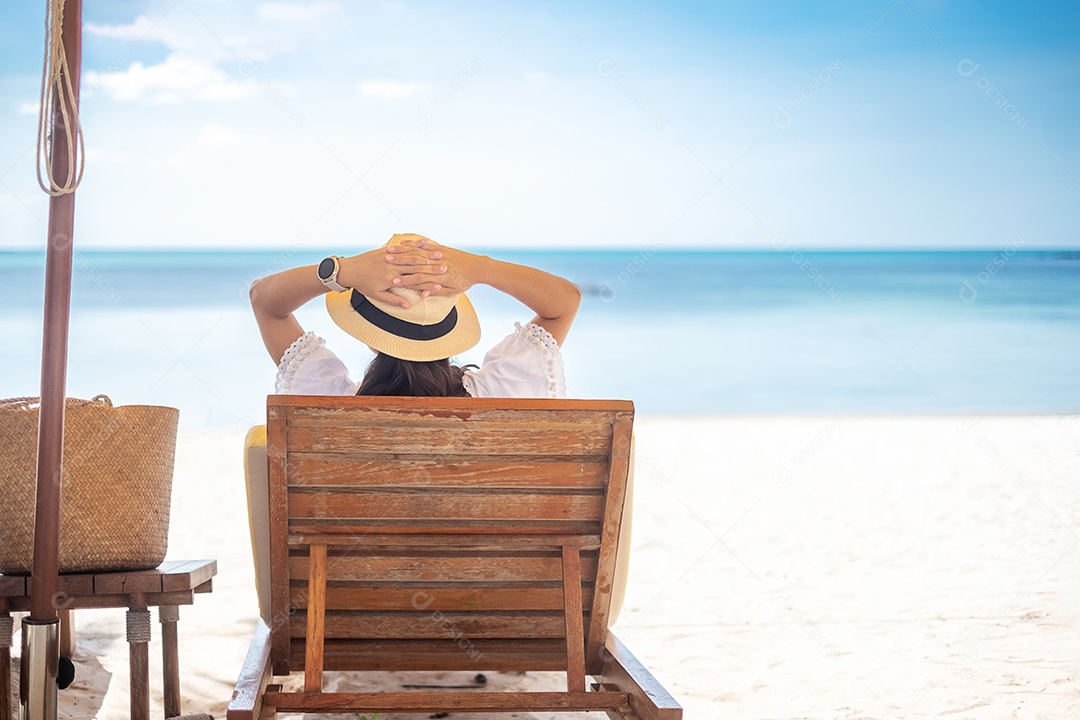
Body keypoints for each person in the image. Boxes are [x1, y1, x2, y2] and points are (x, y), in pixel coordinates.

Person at [249, 233, 581, 398]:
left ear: (368, 336)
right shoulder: (504, 390)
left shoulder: (323, 396)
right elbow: (565, 301)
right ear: (449, 328)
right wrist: (481, 268)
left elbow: (264, 301)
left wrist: (341, 270)